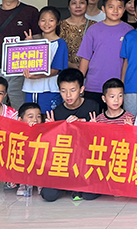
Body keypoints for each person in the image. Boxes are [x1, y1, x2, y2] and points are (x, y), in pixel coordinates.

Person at [41, 68, 101, 202]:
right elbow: (52, 146)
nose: (68, 95)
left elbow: (100, 139)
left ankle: (76, 185)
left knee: (89, 195)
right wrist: (51, 129)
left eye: (73, 90)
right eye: (63, 91)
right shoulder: (57, 112)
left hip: (86, 161)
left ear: (81, 89)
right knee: (48, 195)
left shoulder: (93, 106)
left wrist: (92, 127)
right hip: (65, 161)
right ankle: (71, 184)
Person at [77, 0, 134, 109]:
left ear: (124, 9)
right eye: (111, 7)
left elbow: (128, 61)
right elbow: (85, 58)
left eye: (119, 7)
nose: (115, 10)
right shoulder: (93, 30)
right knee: (93, 118)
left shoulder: (129, 31)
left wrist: (123, 83)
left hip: (117, 87)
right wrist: (79, 83)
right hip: (94, 85)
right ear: (103, 9)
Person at [22, 6, 68, 112]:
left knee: (48, 118)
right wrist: (28, 45)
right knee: (31, 117)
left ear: (58, 22)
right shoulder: (33, 42)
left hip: (50, 89)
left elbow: (55, 70)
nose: (47, 24)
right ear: (38, 23)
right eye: (43, 20)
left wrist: (35, 76)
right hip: (31, 88)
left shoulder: (60, 43)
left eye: (51, 20)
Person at [60, 0, 95, 70]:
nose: (78, 6)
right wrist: (69, 64)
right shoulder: (60, 26)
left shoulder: (95, 26)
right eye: (74, 3)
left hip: (90, 71)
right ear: (69, 7)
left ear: (87, 6)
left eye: (82, 3)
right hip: (66, 71)